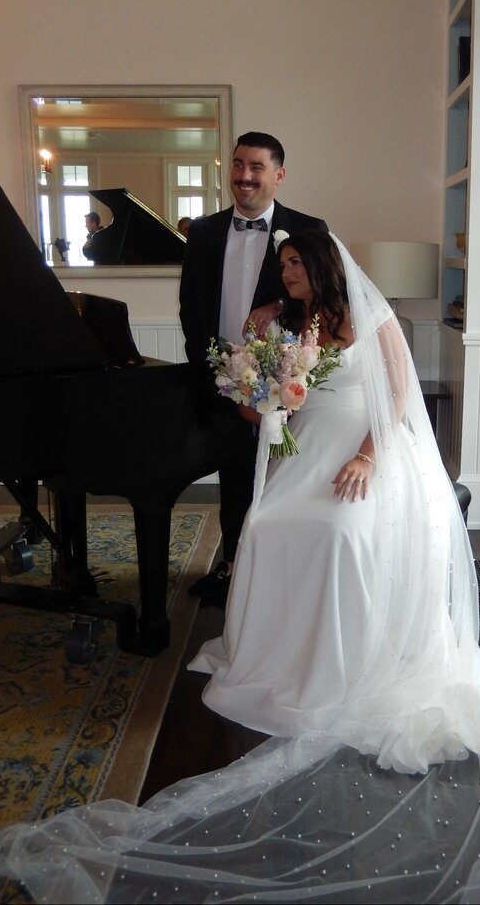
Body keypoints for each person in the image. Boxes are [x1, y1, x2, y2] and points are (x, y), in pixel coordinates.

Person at [0, 231, 480, 904]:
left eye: (296, 263)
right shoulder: (282, 324)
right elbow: (255, 407)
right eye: (283, 264)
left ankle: (341, 659)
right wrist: (263, 394)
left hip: (370, 450)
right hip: (306, 449)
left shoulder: (373, 318)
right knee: (263, 523)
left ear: (323, 267)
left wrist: (366, 457)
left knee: (338, 529)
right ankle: (276, 650)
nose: (288, 272)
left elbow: (394, 398)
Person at [179, 132, 328, 605]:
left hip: (285, 379)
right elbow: (189, 306)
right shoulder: (202, 232)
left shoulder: (308, 227)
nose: (244, 177)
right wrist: (209, 367)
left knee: (282, 477)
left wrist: (278, 301)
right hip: (223, 378)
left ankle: (281, 575)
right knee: (233, 477)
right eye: (238, 165)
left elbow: (321, 292)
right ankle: (233, 569)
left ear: (278, 175)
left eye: (256, 168)